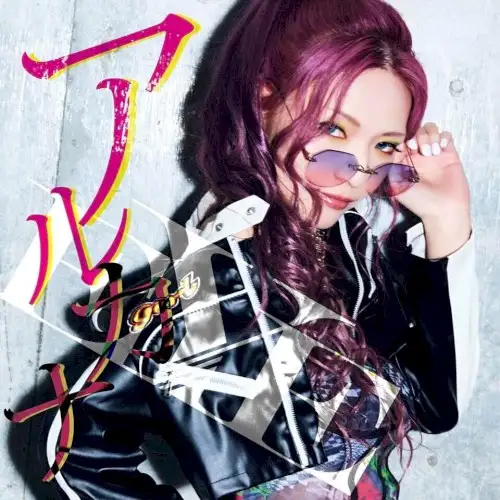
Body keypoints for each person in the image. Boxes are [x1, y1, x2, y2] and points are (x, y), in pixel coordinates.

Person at [44, 0, 479, 499]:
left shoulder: (349, 253)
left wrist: (447, 221)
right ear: (263, 101)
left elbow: (433, 407)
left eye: (383, 146)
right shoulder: (211, 289)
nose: (357, 174)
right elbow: (75, 451)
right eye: (334, 129)